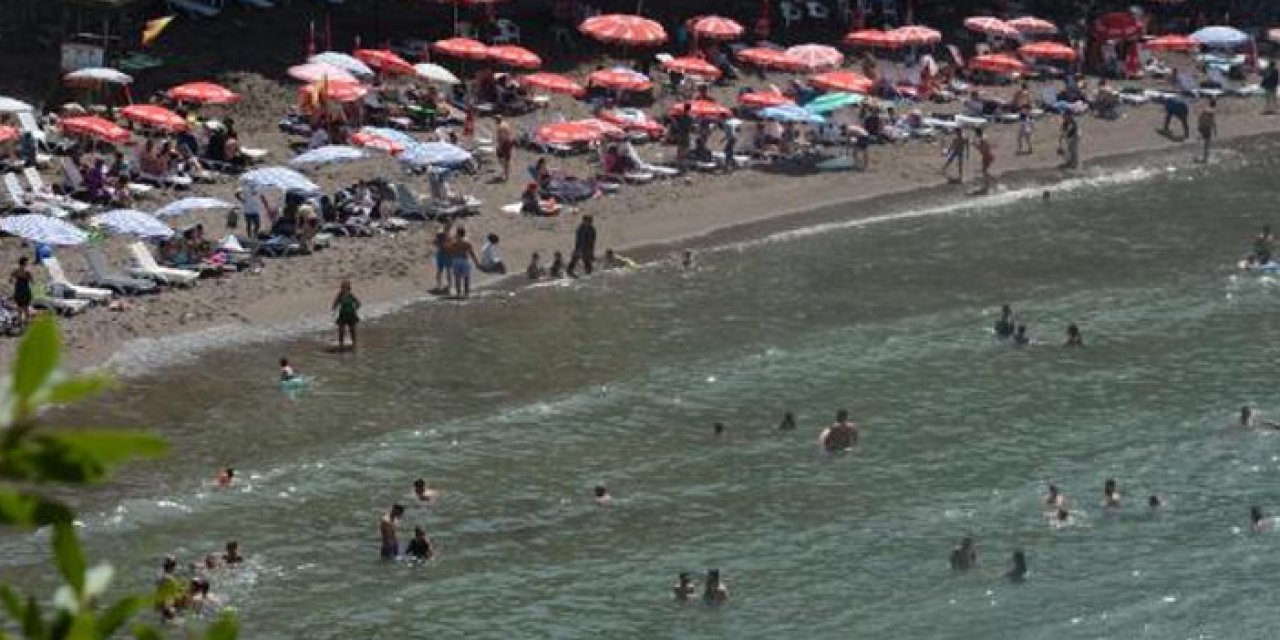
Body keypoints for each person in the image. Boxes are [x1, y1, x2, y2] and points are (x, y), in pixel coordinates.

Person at [448, 227, 481, 299]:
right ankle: (466, 293)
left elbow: (450, 250)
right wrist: (476, 262)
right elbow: (472, 253)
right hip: (465, 260)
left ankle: (458, 293)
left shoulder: (454, 242)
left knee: (457, 277)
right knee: (466, 277)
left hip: (456, 260)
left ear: (458, 233)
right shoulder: (467, 242)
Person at [332, 280, 360, 349]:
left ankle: (354, 344)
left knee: (352, 330)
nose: (344, 289)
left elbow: (358, 303)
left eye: (346, 288)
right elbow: (335, 304)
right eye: (343, 287)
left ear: (349, 288)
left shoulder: (351, 295)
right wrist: (334, 310)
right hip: (343, 314)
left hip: (351, 314)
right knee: (341, 330)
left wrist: (355, 307)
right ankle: (341, 344)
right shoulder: (339, 295)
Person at [9, 256, 32, 325]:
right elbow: (32, 281)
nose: (28, 263)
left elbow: (10, 280)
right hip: (25, 291)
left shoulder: (16, 271)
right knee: (26, 308)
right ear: (25, 263)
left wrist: (14, 280)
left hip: (18, 290)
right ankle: (26, 322)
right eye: (27, 262)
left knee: (19, 307)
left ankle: (20, 322)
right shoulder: (27, 272)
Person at [433, 223, 454, 293]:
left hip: (447, 254)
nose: (448, 227)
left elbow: (453, 245)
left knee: (448, 271)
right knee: (440, 270)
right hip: (442, 253)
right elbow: (435, 242)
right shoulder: (440, 234)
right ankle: (439, 286)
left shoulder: (450, 235)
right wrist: (441, 244)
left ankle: (448, 286)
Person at [973, 128, 994, 194]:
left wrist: (975, 145)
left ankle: (987, 186)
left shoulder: (982, 139)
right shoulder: (984, 138)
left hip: (987, 157)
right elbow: (985, 148)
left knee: (984, 171)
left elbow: (982, 149)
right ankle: (987, 185)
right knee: (984, 171)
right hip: (987, 156)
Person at [1197, 98, 1217, 163]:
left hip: (1202, 126)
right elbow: (1212, 121)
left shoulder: (1204, 110)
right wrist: (1215, 129)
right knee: (1207, 143)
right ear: (1214, 105)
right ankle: (1205, 158)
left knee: (1200, 140)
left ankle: (1199, 155)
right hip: (1207, 128)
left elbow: (1200, 118)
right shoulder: (1212, 112)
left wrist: (1199, 126)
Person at [495, 115, 515, 182]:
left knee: (504, 159)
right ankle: (505, 173)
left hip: (505, 143)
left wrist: (500, 146)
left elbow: (502, 138)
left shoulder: (500, 127)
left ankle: (506, 175)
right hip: (510, 141)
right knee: (505, 159)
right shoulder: (505, 124)